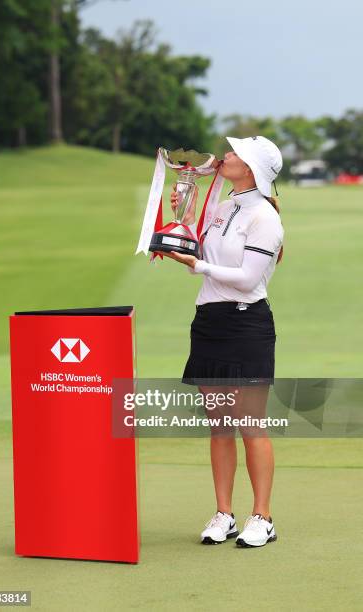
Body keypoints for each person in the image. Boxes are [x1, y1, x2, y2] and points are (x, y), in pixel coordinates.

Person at [164, 135, 284, 548]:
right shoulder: (221, 205)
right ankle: (224, 513)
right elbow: (202, 246)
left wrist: (197, 265)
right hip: (209, 324)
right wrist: (175, 238)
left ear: (249, 168)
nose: (225, 155)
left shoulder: (265, 217)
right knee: (220, 428)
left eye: (234, 153)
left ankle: (262, 517)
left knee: (251, 425)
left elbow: (248, 279)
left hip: (246, 326)